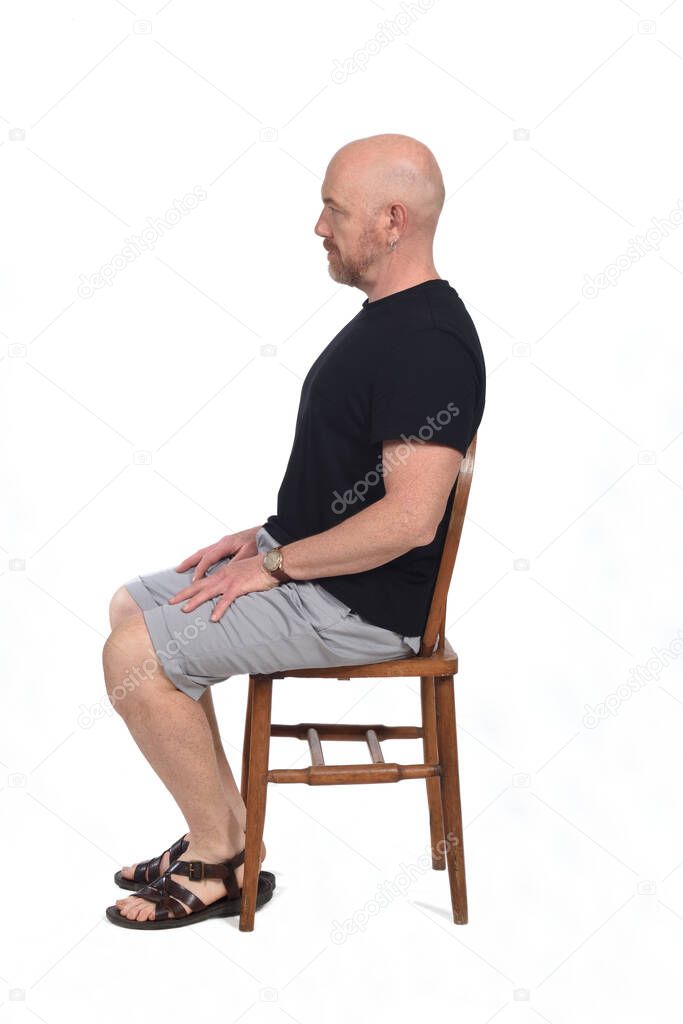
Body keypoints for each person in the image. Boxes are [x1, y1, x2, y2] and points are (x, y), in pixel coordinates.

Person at [103, 132, 486, 929]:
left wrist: (274, 568)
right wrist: (260, 538)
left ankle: (219, 866)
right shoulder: (390, 320)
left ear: (391, 220)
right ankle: (231, 833)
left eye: (333, 210)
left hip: (360, 607)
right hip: (319, 574)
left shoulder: (428, 342)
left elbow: (409, 521)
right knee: (129, 609)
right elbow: (354, 484)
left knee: (133, 658)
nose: (318, 226)